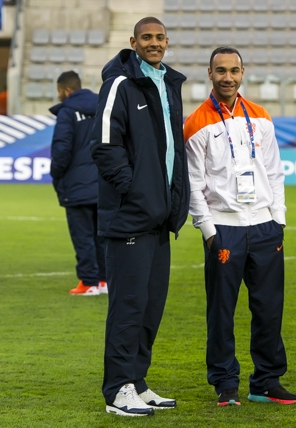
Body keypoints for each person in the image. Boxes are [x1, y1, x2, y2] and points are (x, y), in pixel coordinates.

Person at [184, 46, 296, 407]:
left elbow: (275, 171)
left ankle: (266, 381)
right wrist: (208, 230)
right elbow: (192, 184)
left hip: (265, 227)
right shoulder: (197, 122)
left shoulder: (261, 116)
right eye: (221, 71)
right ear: (209, 74)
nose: (228, 77)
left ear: (243, 72)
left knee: (268, 307)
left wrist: (278, 218)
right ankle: (225, 383)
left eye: (234, 70)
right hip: (225, 228)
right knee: (222, 310)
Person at [90, 17, 189, 417]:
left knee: (150, 306)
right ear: (133, 42)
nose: (153, 43)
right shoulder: (119, 84)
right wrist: (136, 191)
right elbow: (104, 146)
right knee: (128, 306)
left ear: (167, 41)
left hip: (158, 217)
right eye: (145, 38)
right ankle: (118, 390)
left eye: (159, 38)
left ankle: (138, 381)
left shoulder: (168, 84)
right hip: (130, 216)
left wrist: (167, 200)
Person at [49, 70, 107, 296]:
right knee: (102, 235)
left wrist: (57, 175)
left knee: (82, 236)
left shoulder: (67, 111)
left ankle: (88, 282)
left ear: (66, 90)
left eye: (59, 92)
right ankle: (103, 281)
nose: (59, 97)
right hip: (103, 183)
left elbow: (61, 149)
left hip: (76, 186)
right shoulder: (104, 107)